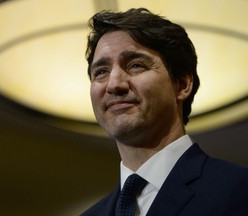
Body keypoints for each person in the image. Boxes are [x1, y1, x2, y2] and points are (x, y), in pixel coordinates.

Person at [81, 8, 248, 216]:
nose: (114, 84)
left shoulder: (239, 191)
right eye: (102, 72)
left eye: (135, 65)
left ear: (182, 85)